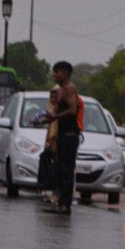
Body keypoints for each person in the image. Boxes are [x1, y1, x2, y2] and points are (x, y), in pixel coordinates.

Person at [42, 61, 81, 215]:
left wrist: (56, 116)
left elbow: (72, 110)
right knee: (59, 170)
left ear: (65, 72)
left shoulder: (70, 89)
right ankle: (60, 201)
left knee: (67, 170)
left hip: (70, 135)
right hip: (62, 135)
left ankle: (66, 205)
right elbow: (55, 112)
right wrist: (46, 118)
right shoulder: (60, 90)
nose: (54, 75)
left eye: (56, 72)